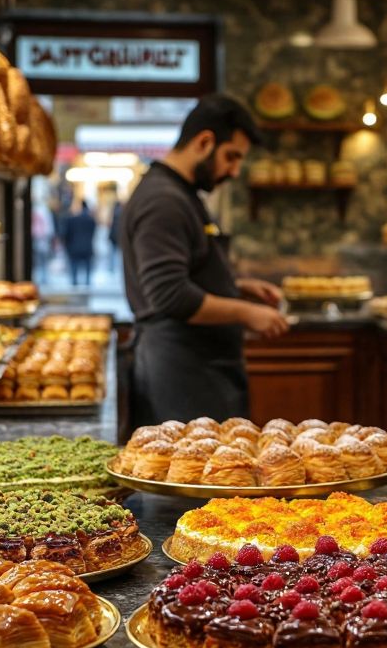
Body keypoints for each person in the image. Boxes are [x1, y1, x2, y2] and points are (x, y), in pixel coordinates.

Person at [120, 94, 289, 425]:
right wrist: (246, 312)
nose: (235, 171)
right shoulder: (163, 201)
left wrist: (237, 287)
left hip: (195, 369)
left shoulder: (180, 194)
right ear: (204, 142)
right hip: (180, 375)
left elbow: (184, 273)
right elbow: (171, 295)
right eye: (231, 157)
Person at [62, 200, 97, 286]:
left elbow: (67, 234)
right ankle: (87, 281)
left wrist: (67, 245)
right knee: (87, 266)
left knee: (74, 265)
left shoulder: (71, 220)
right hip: (86, 246)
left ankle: (75, 281)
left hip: (74, 246)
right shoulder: (90, 220)